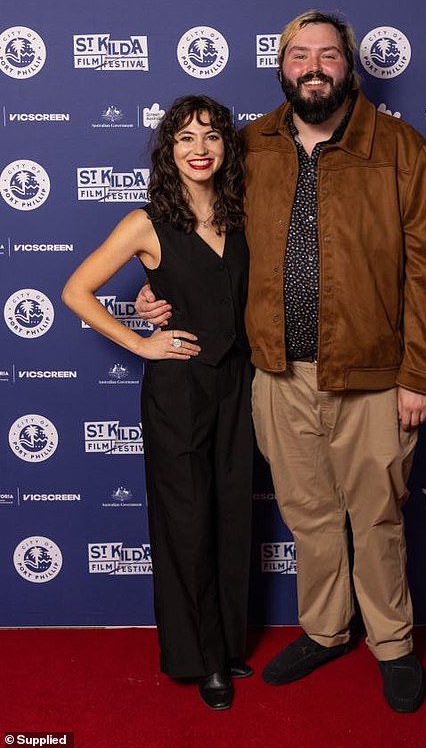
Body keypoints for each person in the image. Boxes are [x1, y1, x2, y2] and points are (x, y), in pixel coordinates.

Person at [138, 10, 426, 713]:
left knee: (375, 515)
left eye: (329, 55)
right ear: (283, 66)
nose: (314, 66)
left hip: (374, 374)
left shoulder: (401, 148)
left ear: (350, 67)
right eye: (300, 54)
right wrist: (156, 286)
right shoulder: (251, 147)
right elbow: (197, 231)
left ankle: (393, 642)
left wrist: (418, 376)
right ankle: (325, 628)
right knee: (308, 515)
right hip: (277, 373)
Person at [62, 95, 254, 711]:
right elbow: (76, 290)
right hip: (179, 390)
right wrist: (141, 342)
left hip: (242, 384)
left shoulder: (246, 212)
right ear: (168, 152)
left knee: (230, 514)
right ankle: (201, 660)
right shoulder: (146, 222)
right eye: (185, 139)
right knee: (188, 522)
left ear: (227, 148)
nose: (200, 149)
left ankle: (226, 643)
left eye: (212, 137)